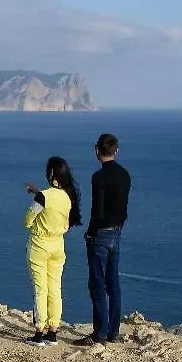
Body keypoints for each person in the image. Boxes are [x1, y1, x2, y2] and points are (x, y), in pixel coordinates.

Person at [75, 133, 132, 346]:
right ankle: (113, 331)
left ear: (96, 149)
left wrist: (90, 233)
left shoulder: (98, 177)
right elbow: (123, 208)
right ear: (116, 150)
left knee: (97, 284)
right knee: (113, 283)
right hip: (117, 232)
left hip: (100, 235)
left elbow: (97, 212)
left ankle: (99, 333)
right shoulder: (125, 175)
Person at [23, 157, 82, 347]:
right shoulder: (67, 196)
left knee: (40, 290)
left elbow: (28, 219)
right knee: (55, 289)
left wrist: (37, 197)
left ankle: (39, 332)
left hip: (40, 245)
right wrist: (38, 192)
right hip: (58, 246)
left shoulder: (43, 197)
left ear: (50, 174)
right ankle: (53, 332)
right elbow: (56, 209)